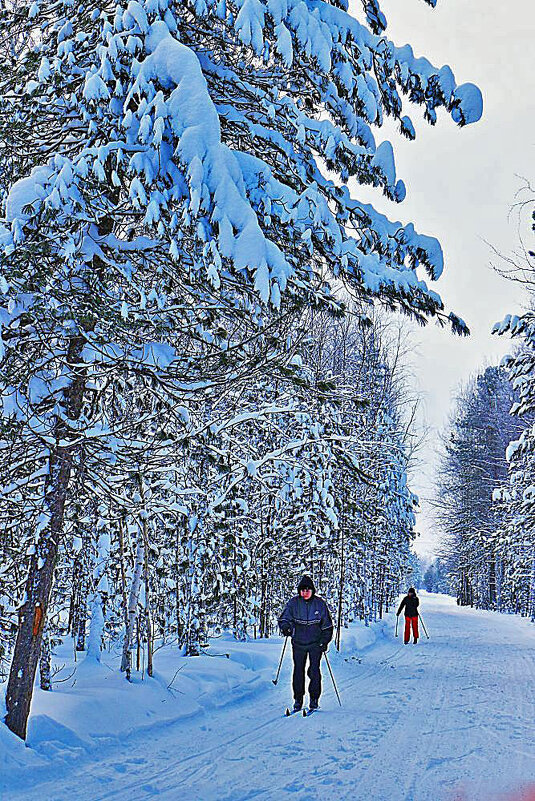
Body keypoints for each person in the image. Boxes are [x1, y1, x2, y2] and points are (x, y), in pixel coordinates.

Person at [278, 575, 333, 712]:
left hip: (315, 644)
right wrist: (286, 627)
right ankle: (298, 699)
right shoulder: (293, 603)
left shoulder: (319, 604)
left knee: (314, 671)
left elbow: (327, 626)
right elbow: (284, 618)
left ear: (312, 591)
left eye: (308, 590)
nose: (305, 592)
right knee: (298, 671)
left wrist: (324, 641)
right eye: (302, 590)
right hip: (298, 643)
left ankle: (314, 699)